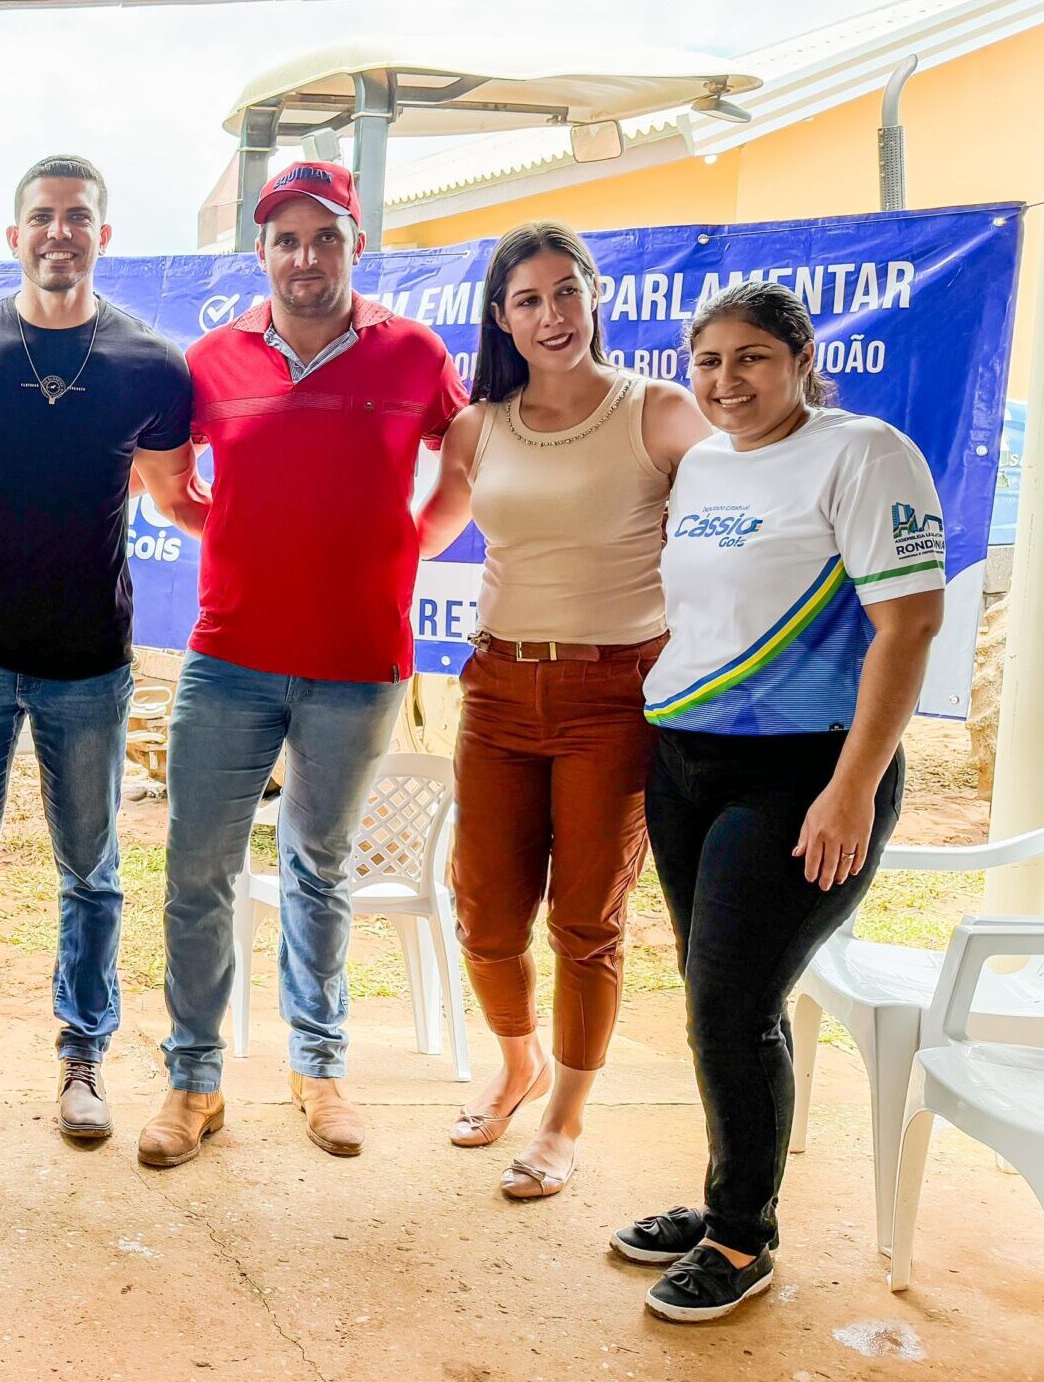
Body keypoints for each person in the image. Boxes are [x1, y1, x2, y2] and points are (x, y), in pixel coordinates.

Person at [615, 280, 942, 1322]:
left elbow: (911, 625)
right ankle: (728, 1196)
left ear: (801, 358)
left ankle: (740, 1238)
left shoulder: (863, 451)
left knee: (731, 998)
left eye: (751, 357)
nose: (725, 380)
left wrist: (852, 789)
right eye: (707, 361)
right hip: (683, 758)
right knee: (718, 992)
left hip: (803, 769)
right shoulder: (704, 459)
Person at [141, 162, 471, 1168]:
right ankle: (194, 1082)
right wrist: (226, 524)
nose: (305, 257)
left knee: (318, 866)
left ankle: (318, 1071)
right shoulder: (211, 358)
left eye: (324, 237)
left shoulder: (413, 353)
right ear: (262, 253)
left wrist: (406, 544)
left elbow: (463, 460)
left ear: (354, 247)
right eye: (285, 239)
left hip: (358, 662)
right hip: (229, 656)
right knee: (197, 868)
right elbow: (167, 482)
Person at [0, 155, 193, 1144]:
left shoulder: (149, 364)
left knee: (91, 871)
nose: (58, 233)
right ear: (14, 234)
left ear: (102, 236)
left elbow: (179, 498)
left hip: (89, 662)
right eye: (41, 217)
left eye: (76, 217)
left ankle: (82, 1060)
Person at [438, 222, 709, 1198]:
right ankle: (517, 1062)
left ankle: (563, 1119)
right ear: (501, 319)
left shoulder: (659, 411)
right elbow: (414, 531)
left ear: (595, 295)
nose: (549, 314)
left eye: (564, 291)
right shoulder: (479, 426)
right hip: (499, 688)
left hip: (614, 696)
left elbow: (752, 495)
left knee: (585, 920)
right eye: (526, 299)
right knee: (484, 912)